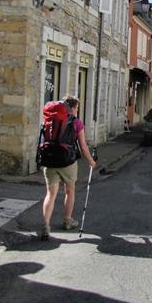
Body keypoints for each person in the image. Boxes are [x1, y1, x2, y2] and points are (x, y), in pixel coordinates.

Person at [40, 96, 96, 241]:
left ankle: (46, 225)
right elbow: (83, 146)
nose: (77, 110)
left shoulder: (49, 120)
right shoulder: (76, 122)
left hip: (50, 159)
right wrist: (91, 161)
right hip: (67, 161)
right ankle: (67, 220)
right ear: (72, 107)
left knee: (50, 194)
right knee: (69, 190)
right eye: (77, 107)